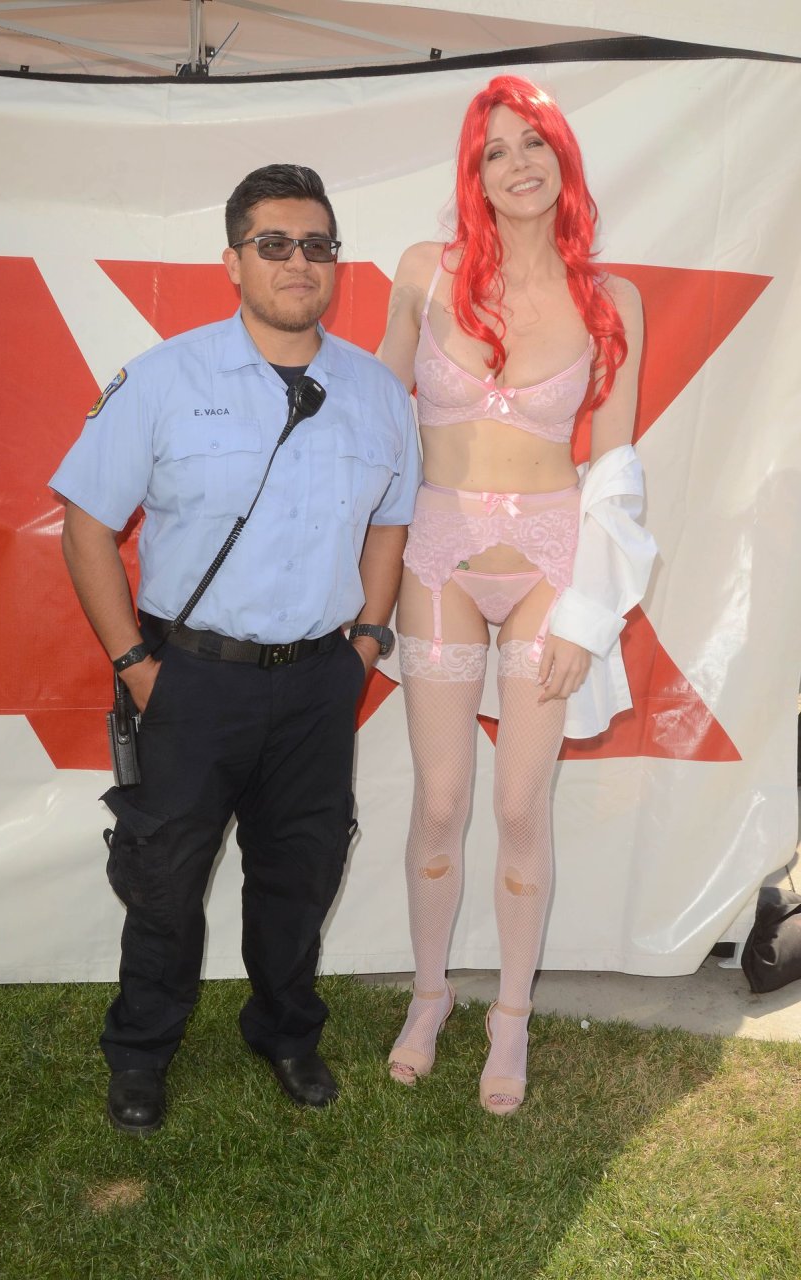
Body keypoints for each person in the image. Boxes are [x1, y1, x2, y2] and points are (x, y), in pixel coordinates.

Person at [50, 164, 420, 1133]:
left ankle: (286, 1031)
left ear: (335, 262)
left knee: (302, 874)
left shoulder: (377, 393)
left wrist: (366, 641)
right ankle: (141, 1050)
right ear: (232, 261)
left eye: (316, 245)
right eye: (274, 244)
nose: (298, 262)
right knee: (163, 879)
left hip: (318, 682)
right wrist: (134, 664)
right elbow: (86, 524)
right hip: (189, 681)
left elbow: (390, 523)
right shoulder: (164, 378)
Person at [378, 76, 656, 1114]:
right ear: (474, 173)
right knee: (442, 798)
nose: (517, 164)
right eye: (494, 150)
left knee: (516, 803)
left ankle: (510, 1014)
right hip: (437, 556)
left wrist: (589, 614)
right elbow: (374, 415)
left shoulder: (611, 299)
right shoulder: (424, 271)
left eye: (532, 142)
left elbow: (614, 468)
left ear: (561, 158)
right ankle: (429, 995)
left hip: (550, 559)